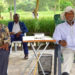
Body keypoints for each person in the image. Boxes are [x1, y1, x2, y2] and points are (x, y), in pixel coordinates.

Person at [53, 6, 75, 75]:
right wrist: (60, 42)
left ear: (73, 15)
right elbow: (55, 38)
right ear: (65, 16)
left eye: (71, 13)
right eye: (68, 14)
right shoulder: (59, 27)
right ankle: (65, 73)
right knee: (68, 55)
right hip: (67, 48)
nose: (70, 15)